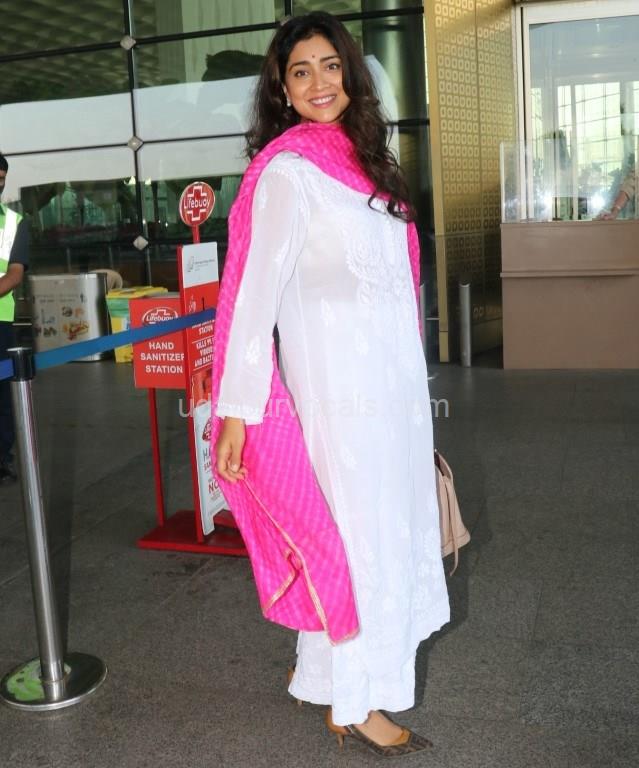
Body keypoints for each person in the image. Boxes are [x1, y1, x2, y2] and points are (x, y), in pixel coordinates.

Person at [213, 12, 449, 757]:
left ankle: (323, 673)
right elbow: (252, 300)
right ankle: (356, 701)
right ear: (281, 91)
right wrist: (236, 411)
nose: (318, 83)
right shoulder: (287, 174)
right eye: (300, 72)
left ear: (350, 74)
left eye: (330, 66)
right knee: (354, 542)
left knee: (378, 534)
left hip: (393, 401)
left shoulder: (369, 165)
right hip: (338, 409)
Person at [0, 152, 29, 484]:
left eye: (2, 179)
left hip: (1, 322)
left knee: (2, 395)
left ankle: (1, 458)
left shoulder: (13, 223)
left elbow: (15, 274)